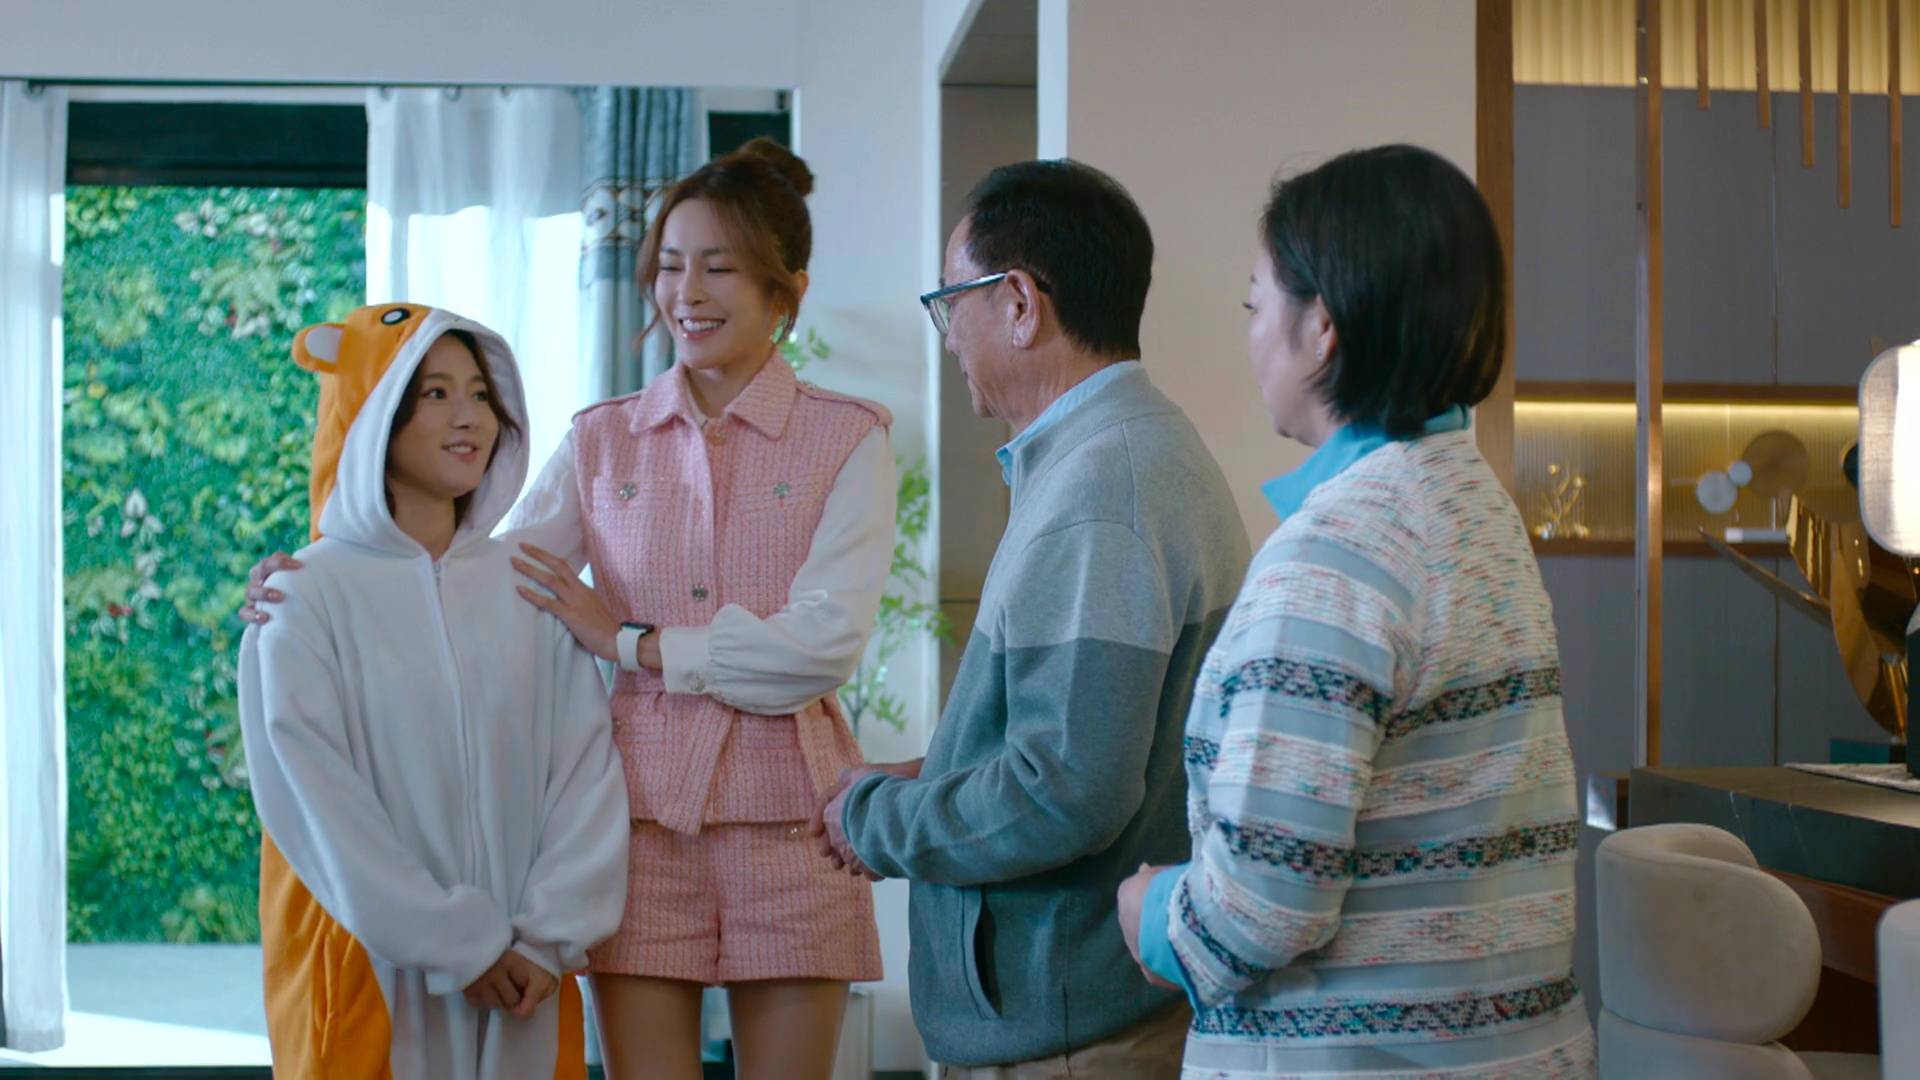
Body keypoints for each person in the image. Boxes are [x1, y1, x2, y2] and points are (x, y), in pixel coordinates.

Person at [246, 138, 893, 1079]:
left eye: (719, 267)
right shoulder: (602, 441)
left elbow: (821, 647)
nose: (687, 292)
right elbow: (474, 573)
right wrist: (317, 568)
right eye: (669, 265)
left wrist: (630, 643)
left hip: (797, 824)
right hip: (638, 837)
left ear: (785, 291)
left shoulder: (850, 439)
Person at [1116, 144, 1595, 1078]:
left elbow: (1260, 909)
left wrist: (1154, 912)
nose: (1252, 334)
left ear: (1323, 327)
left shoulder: (1338, 549)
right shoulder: (1471, 505)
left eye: (1256, 305)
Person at [810, 159, 1250, 1079]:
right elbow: (1092, 740)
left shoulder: (1102, 490)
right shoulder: (1121, 455)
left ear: (1018, 303)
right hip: (1083, 1015)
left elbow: (1065, 791)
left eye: (950, 303)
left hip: (1072, 1034)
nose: (948, 339)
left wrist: (877, 820)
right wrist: (936, 774)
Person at [238, 303, 629, 1080]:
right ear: (373, 414)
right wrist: (459, 945)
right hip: (373, 975)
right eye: (436, 394)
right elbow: (319, 807)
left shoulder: (526, 586)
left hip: (527, 982)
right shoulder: (303, 599)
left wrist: (546, 939)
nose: (469, 417)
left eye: (481, 394)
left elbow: (585, 774)